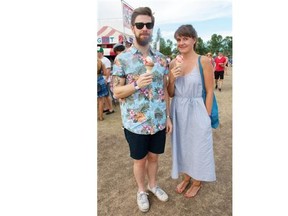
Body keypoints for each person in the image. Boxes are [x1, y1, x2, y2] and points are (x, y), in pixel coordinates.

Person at [112, 7, 172, 213]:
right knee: (140, 159)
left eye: (149, 25)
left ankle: (153, 185)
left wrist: (168, 116)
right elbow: (116, 92)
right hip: (135, 122)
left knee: (154, 157)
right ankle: (141, 190)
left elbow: (164, 89)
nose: (144, 28)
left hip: (157, 120)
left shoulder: (162, 59)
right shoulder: (123, 59)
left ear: (152, 28)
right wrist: (136, 84)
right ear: (133, 28)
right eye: (140, 25)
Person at [167, 24, 216, 199]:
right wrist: (172, 78)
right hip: (178, 110)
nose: (181, 42)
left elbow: (210, 90)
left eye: (185, 38)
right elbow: (171, 92)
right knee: (182, 145)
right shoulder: (173, 62)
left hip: (197, 109)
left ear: (194, 40)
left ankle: (197, 181)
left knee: (198, 145)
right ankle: (186, 177)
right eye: (178, 39)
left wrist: (206, 115)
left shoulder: (203, 61)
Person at [97, 46, 115, 114]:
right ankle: (107, 107)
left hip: (104, 80)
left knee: (107, 95)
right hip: (101, 80)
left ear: (101, 52)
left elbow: (108, 70)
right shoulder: (98, 60)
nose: (97, 53)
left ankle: (111, 109)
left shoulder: (105, 60)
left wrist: (106, 79)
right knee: (103, 95)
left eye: (98, 52)